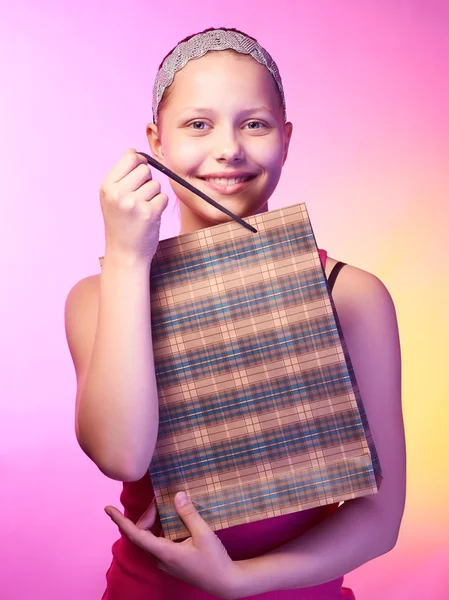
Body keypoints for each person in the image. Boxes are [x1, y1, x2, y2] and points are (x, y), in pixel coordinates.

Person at [64, 27, 406, 600]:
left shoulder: (352, 296)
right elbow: (122, 454)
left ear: (287, 138)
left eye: (254, 124)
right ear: (157, 141)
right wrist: (126, 259)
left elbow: (380, 516)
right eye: (198, 124)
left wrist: (237, 580)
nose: (229, 149)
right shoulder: (98, 297)